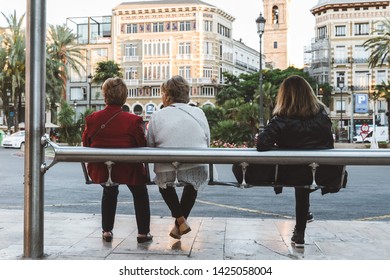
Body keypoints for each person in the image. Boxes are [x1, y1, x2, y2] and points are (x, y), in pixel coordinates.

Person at [256, 75, 334, 248]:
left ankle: (300, 230)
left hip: (289, 173)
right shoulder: (322, 117)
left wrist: (280, 146)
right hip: (320, 172)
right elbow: (329, 144)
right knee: (305, 175)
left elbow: (262, 143)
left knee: (300, 174)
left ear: (284, 96)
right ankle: (300, 230)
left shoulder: (281, 120)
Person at [82, 77, 152, 244]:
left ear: (105, 96)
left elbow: (86, 143)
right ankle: (143, 233)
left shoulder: (92, 118)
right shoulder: (133, 120)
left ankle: (107, 231)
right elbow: (141, 145)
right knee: (140, 193)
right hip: (128, 168)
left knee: (109, 190)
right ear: (124, 97)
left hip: (102, 169)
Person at [146, 75, 210, 239]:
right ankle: (179, 224)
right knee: (193, 184)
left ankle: (180, 221)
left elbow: (150, 143)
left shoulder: (158, 115)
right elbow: (207, 139)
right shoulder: (199, 112)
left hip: (167, 164)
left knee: (164, 183)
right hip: (196, 162)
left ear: (167, 95)